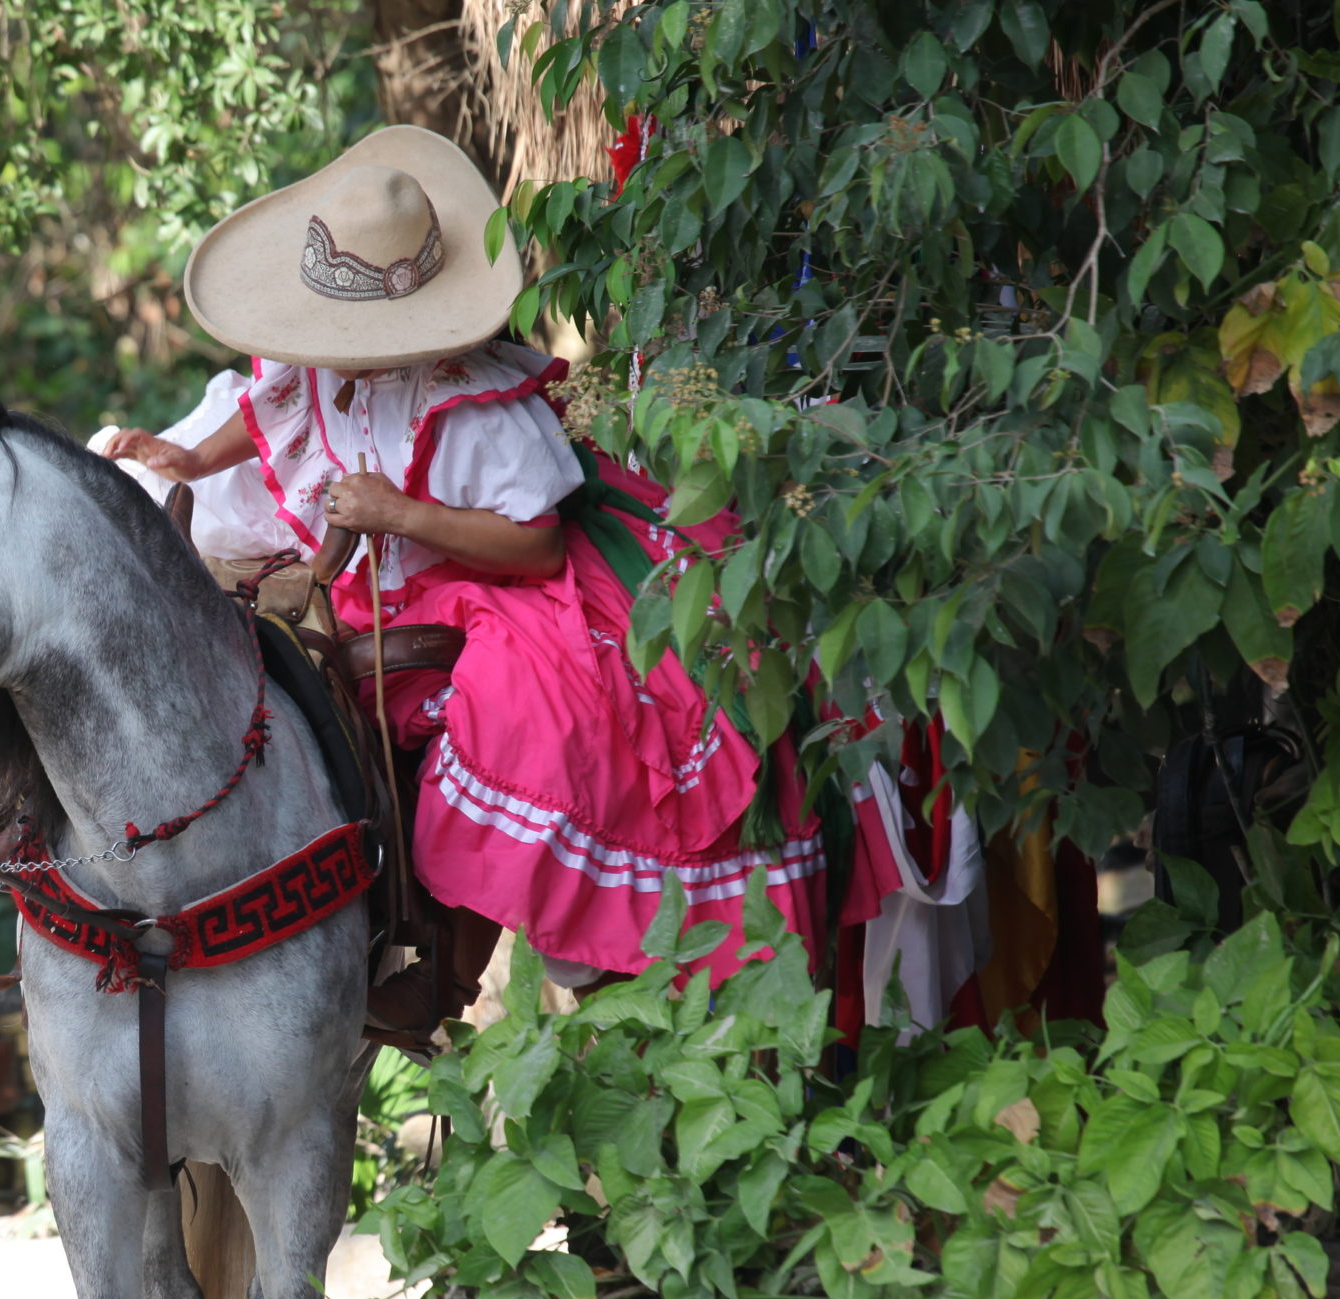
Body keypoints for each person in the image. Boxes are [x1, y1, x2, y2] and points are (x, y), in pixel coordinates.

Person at [101, 126, 822, 1027]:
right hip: (390, 577)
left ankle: (453, 972)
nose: (324, 353)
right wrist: (191, 460)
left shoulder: (472, 407)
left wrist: (400, 516)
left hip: (504, 584)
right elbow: (272, 408)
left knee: (516, 716)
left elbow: (540, 549)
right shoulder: (322, 360)